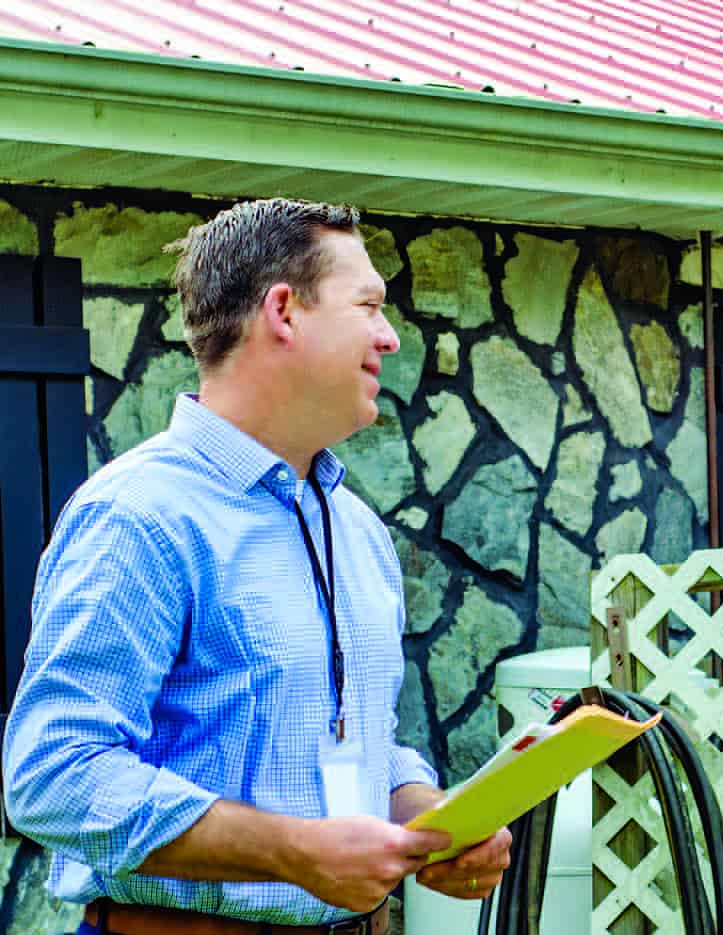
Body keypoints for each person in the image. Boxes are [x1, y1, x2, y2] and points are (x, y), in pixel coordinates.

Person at [2, 198, 510, 935]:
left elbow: (355, 736)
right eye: (368, 305)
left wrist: (424, 818)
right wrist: (291, 851)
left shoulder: (356, 529)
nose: (389, 337)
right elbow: (55, 773)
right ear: (284, 312)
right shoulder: (139, 514)